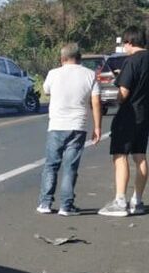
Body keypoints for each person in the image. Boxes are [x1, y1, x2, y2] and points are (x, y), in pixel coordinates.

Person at [37, 43, 102, 216]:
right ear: (79, 58)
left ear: (62, 59)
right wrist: (97, 127)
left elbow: (46, 91)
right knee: (70, 167)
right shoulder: (90, 75)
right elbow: (95, 102)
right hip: (77, 126)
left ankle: (45, 203)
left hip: (56, 125)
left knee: (51, 165)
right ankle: (66, 206)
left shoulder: (53, 73)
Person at [99, 26, 149, 217]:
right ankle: (138, 200)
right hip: (145, 114)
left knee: (120, 155)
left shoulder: (132, 61)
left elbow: (124, 93)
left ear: (129, 42)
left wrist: (118, 90)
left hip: (128, 114)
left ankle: (120, 201)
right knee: (140, 155)